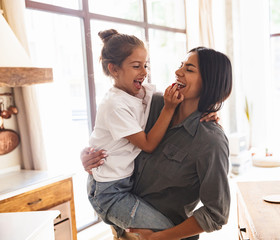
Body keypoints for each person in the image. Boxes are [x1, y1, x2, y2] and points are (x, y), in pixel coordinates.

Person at [81, 46, 233, 240]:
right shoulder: (154, 104)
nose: (178, 72)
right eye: (181, 66)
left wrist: (160, 238)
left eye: (189, 69)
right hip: (122, 227)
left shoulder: (210, 141)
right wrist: (90, 154)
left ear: (209, 82)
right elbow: (111, 122)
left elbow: (216, 214)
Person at [87, 29, 184, 239]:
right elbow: (147, 144)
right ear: (114, 69)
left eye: (146, 64)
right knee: (167, 232)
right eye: (136, 66)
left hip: (127, 182)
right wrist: (168, 109)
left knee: (167, 231)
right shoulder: (114, 104)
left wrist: (209, 111)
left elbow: (181, 95)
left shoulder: (143, 92)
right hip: (109, 191)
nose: (144, 71)